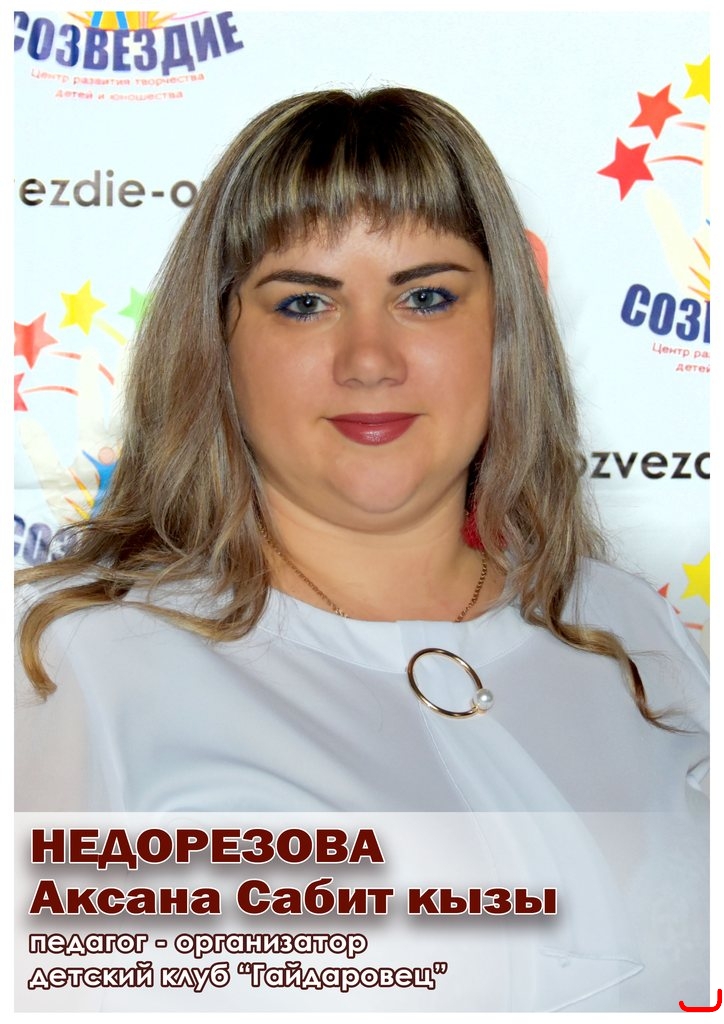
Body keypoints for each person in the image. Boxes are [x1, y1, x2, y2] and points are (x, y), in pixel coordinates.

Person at [15, 87, 708, 1011]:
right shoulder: (79, 663)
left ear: (505, 331)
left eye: (426, 297)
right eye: (305, 303)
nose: (370, 359)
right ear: (218, 342)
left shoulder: (630, 629)